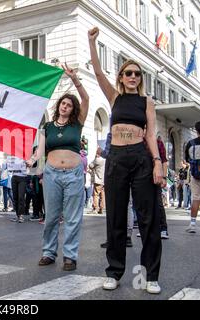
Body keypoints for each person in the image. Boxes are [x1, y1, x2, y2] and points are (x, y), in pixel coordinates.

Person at [89, 27, 163, 294]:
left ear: (140, 78)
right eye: (128, 73)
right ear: (121, 77)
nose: (133, 76)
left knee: (148, 218)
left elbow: (152, 134)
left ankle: (151, 275)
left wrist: (157, 162)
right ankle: (114, 272)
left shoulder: (147, 102)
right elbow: (97, 72)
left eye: (137, 73)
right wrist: (91, 42)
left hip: (141, 157)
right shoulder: (114, 97)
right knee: (116, 217)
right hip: (117, 158)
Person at [26, 62, 89, 271]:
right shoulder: (48, 127)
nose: (65, 107)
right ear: (58, 106)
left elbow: (86, 99)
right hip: (52, 174)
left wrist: (74, 79)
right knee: (52, 216)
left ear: (73, 110)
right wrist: (34, 163)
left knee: (72, 217)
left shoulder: (76, 124)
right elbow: (41, 151)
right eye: (63, 103)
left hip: (73, 174)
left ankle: (70, 256)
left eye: (69, 105)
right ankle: (48, 253)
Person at [185, 121, 200, 233]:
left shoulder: (191, 143)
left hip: (196, 175)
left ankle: (193, 224)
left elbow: (187, 159)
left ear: (196, 130)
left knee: (195, 198)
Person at [89, 146, 105, 214]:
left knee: (95, 194)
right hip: (104, 180)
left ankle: (95, 208)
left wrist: (95, 157)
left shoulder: (97, 160)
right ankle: (101, 208)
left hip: (98, 180)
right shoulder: (105, 160)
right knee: (102, 194)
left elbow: (90, 165)